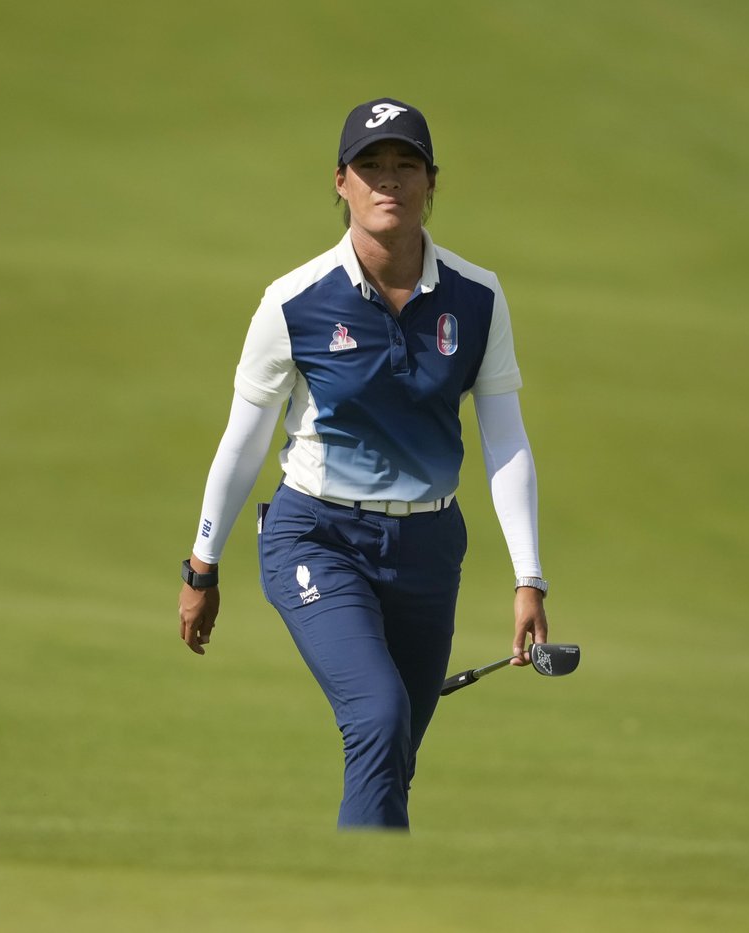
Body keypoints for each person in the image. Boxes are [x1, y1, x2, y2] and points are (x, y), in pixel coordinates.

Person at [177, 97, 550, 830]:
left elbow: (505, 438)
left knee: (394, 755)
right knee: (378, 718)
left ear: (431, 181)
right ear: (341, 182)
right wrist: (203, 566)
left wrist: (528, 575)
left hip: (430, 548)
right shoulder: (294, 300)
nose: (389, 181)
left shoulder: (477, 297)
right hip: (317, 536)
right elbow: (244, 441)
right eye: (370, 166)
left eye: (405, 165)